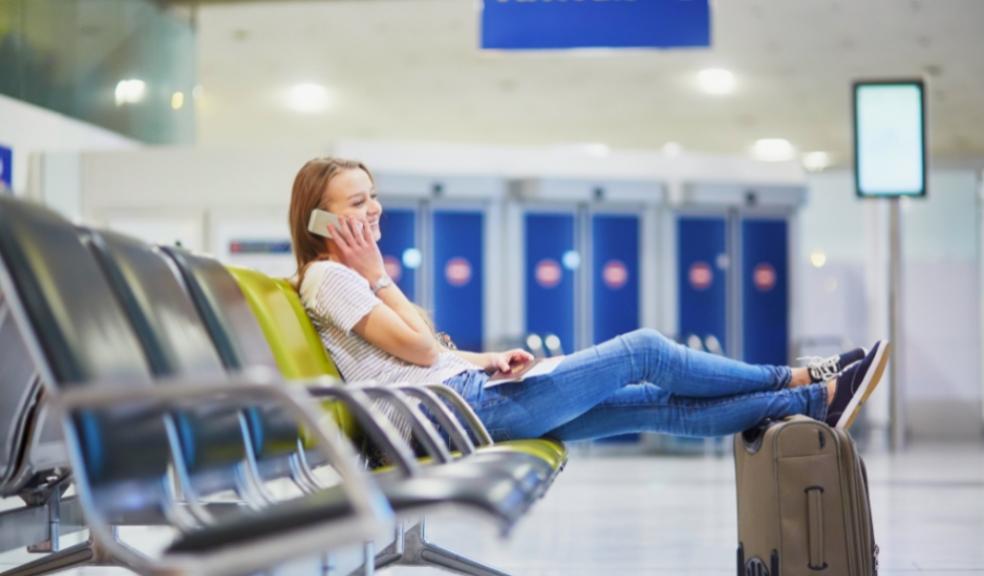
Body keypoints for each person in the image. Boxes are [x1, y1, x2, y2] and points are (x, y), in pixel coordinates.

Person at [289, 157, 890, 443]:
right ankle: (798, 378)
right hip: (459, 412)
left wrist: (487, 359)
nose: (374, 209)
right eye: (357, 203)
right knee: (645, 350)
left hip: (469, 396)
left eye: (373, 196)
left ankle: (815, 400)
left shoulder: (340, 280)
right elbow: (420, 354)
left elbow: (426, 353)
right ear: (320, 221)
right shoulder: (334, 278)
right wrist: (376, 273)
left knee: (655, 405)